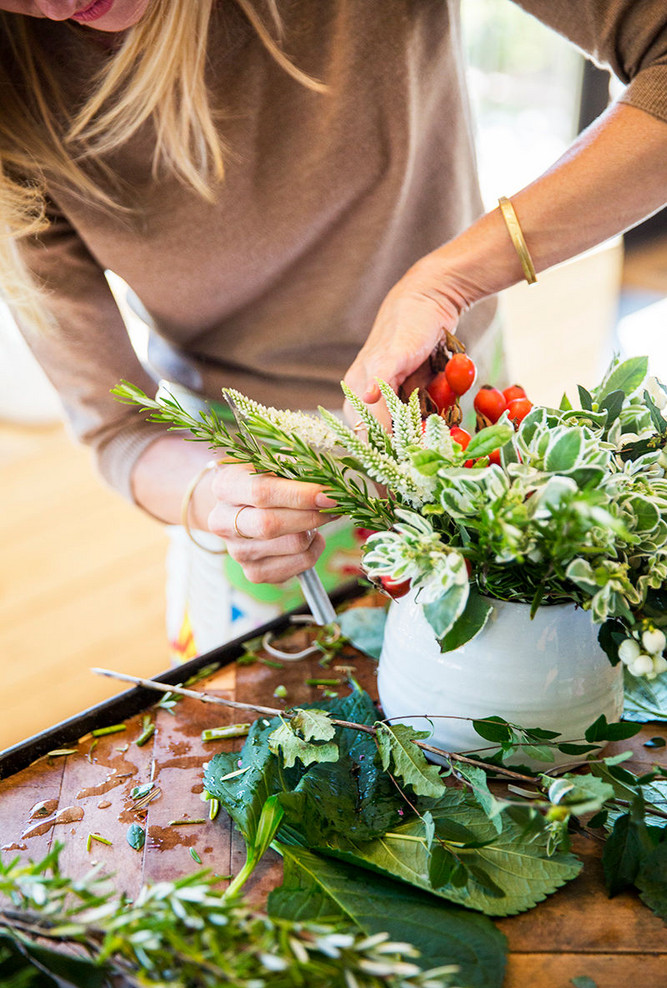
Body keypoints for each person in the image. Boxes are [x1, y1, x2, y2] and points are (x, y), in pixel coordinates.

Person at [1, 0, 666, 658]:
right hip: (254, 529)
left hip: (467, 448)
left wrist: (448, 281)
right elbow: (118, 429)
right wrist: (218, 498)